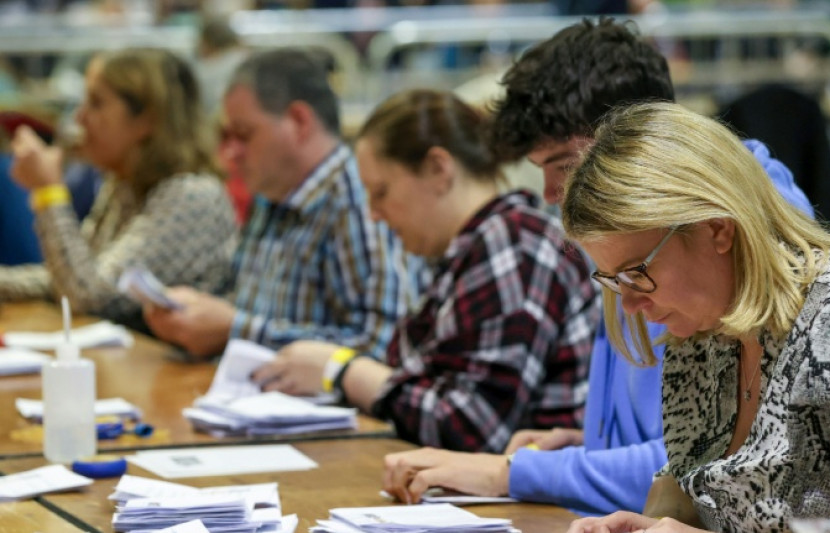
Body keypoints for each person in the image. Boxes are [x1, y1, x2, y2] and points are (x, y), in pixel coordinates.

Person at [381, 18, 815, 516]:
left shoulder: (724, 232)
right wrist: (587, 445)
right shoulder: (645, 238)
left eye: (562, 164)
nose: (549, 194)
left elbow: (729, 468)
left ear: (632, 142)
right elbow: (684, 440)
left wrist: (511, 474)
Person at [563, 101, 830, 533]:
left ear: (717, 228)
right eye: (614, 280)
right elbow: (707, 490)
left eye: (638, 272)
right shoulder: (701, 332)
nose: (630, 304)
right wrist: (648, 524)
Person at [251, 89, 601, 453]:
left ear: (438, 169)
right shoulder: (479, 245)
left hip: (539, 504)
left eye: (381, 192)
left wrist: (342, 371)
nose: (373, 213)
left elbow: (470, 429)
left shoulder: (513, 245)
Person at [145, 48, 420, 359]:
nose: (230, 152)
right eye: (227, 135)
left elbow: (383, 346)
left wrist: (234, 329)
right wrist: (191, 313)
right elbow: (242, 304)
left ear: (299, 121)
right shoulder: (269, 195)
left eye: (244, 134)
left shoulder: (357, 202)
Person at [0, 49, 235, 329]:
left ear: (147, 120)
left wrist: (49, 192)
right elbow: (68, 277)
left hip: (181, 370)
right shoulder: (123, 184)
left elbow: (89, 295)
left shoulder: (192, 196)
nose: (79, 118)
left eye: (96, 103)